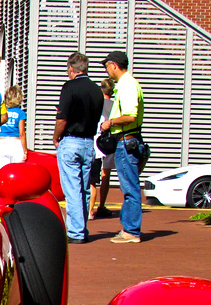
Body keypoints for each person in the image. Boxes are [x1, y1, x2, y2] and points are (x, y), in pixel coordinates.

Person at [52, 52, 103, 244]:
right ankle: (82, 227)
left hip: (71, 140)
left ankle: (76, 231)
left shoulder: (70, 88)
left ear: (72, 69)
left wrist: (56, 137)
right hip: (89, 141)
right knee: (84, 187)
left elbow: (62, 118)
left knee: (72, 188)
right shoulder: (96, 90)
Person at [101, 51, 146, 244]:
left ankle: (131, 230)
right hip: (129, 140)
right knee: (129, 186)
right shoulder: (128, 84)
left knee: (130, 187)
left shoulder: (127, 85)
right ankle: (129, 228)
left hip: (126, 140)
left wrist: (110, 122)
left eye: (107, 66)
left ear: (114, 65)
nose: (107, 71)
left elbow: (130, 115)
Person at [89, 78, 116, 220]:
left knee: (92, 178)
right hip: (110, 142)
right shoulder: (115, 105)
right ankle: (102, 204)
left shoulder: (97, 104)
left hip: (96, 142)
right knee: (106, 174)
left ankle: (90, 209)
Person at [0, 85, 28, 168]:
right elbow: (22, 133)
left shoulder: (3, 112)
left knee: (2, 171)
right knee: (18, 171)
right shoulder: (20, 113)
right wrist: (25, 150)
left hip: (2, 142)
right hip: (15, 143)